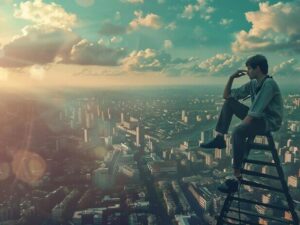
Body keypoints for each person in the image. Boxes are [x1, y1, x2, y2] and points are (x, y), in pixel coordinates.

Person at [200, 54, 283, 193]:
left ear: (257, 68)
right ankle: (220, 138)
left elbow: (254, 112)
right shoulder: (254, 84)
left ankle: (236, 175)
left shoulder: (269, 84)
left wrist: (240, 128)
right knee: (229, 104)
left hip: (268, 122)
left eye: (249, 69)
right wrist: (231, 78)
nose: (247, 72)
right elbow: (227, 96)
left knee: (238, 131)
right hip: (257, 118)